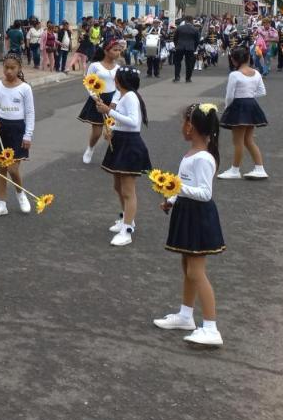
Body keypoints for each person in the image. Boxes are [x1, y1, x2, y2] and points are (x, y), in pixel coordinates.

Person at [153, 103, 226, 347]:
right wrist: (172, 199)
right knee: (187, 267)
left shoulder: (203, 158)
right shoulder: (192, 154)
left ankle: (211, 327)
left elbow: (205, 193)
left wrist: (176, 187)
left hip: (199, 216)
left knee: (196, 271)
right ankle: (186, 315)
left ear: (191, 127)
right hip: (186, 212)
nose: (181, 127)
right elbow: (187, 184)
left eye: (183, 122)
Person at [98, 67, 151, 247]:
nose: (115, 80)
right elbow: (124, 121)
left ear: (121, 81)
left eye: (117, 78)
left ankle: (127, 230)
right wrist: (112, 130)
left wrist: (108, 110)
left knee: (128, 191)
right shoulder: (124, 96)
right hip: (121, 141)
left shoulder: (130, 97)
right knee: (117, 186)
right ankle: (127, 218)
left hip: (130, 145)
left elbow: (133, 122)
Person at [0, 55, 35, 217]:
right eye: (6, 67)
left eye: (13, 68)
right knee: (1, 169)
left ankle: (21, 194)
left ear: (19, 68)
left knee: (12, 168)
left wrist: (28, 135)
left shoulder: (25, 88)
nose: (9, 71)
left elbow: (30, 112)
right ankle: (2, 204)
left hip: (18, 130)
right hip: (0, 129)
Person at [218, 46, 268, 180]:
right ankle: (260, 168)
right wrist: (249, 95)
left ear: (234, 61)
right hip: (252, 105)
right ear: (248, 57)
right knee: (248, 140)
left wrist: (228, 109)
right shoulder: (256, 73)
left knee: (238, 141)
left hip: (238, 106)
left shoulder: (234, 75)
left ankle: (235, 170)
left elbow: (229, 96)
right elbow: (262, 91)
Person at [79, 39, 124, 164]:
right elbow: (89, 82)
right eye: (115, 50)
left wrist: (114, 102)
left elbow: (120, 87)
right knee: (97, 130)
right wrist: (95, 97)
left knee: (113, 129)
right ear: (106, 51)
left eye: (119, 50)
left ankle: (113, 154)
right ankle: (90, 148)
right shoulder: (95, 66)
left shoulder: (118, 68)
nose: (118, 53)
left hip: (114, 99)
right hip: (98, 99)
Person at [172, 18, 201, 83]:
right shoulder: (195, 29)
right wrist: (194, 48)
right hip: (190, 48)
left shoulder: (179, 28)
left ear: (185, 21)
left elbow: (175, 38)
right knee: (189, 63)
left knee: (177, 62)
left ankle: (177, 77)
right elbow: (197, 41)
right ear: (191, 21)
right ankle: (188, 78)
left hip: (180, 47)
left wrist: (176, 45)